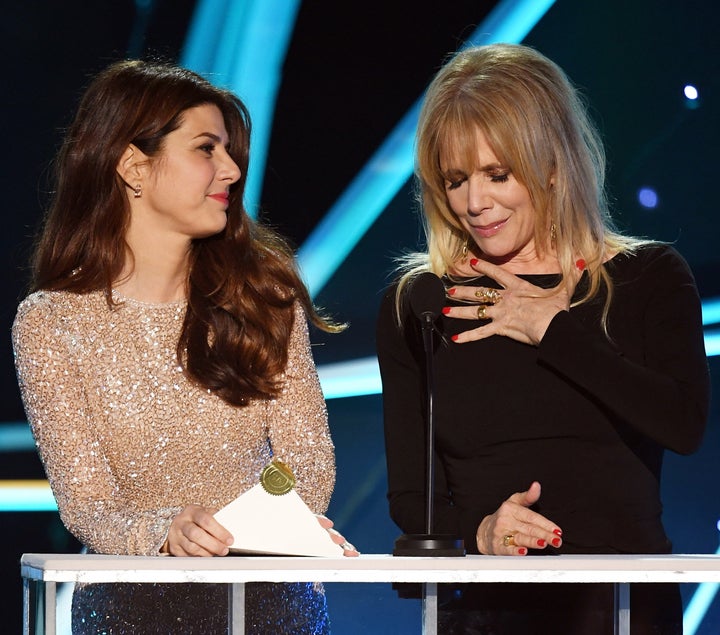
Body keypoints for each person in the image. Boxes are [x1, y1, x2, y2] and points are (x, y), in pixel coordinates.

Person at [12, 59, 357, 635]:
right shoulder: (51, 322)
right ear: (133, 167)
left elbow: (309, 465)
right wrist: (166, 533)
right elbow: (89, 505)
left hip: (270, 602)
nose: (230, 168)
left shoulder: (264, 298)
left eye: (228, 150)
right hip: (133, 607)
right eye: (206, 149)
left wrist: (254, 532)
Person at [376, 43, 709, 634]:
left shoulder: (646, 277)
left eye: (497, 174)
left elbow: (682, 424)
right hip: (486, 610)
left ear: (552, 164)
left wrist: (553, 328)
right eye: (456, 181)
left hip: (621, 610)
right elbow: (411, 493)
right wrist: (480, 530)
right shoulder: (422, 303)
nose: (475, 203)